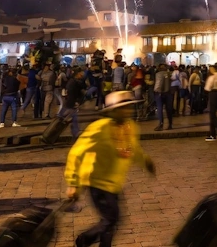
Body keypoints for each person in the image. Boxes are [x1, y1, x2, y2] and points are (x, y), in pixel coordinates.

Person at [65, 91, 156, 247]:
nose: (127, 111)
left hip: (114, 183)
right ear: (112, 110)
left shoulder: (130, 126)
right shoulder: (98, 128)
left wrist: (146, 161)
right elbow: (76, 153)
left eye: (129, 107)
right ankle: (84, 239)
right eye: (123, 108)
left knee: (109, 221)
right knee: (112, 218)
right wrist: (73, 183)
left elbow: (133, 148)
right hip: (97, 182)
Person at [58, 69, 87, 140]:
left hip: (70, 102)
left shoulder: (72, 81)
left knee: (69, 117)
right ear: (77, 74)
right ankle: (75, 132)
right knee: (65, 116)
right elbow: (75, 92)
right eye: (81, 74)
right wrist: (75, 102)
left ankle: (75, 132)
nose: (82, 75)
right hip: (71, 102)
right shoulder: (74, 82)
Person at [153, 64, 173, 131]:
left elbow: (159, 83)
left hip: (160, 93)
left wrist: (157, 90)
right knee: (169, 109)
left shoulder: (158, 74)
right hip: (168, 93)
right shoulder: (169, 74)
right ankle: (170, 124)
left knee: (160, 108)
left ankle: (161, 124)